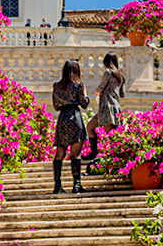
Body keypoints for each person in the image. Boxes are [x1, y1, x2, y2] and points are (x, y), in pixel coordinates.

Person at [51, 60, 91, 194]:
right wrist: (84, 93)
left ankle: (57, 186)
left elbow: (56, 106)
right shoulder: (79, 85)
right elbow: (84, 104)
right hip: (75, 117)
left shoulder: (57, 86)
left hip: (63, 118)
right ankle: (76, 185)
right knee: (76, 154)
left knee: (59, 154)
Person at [87, 53, 125, 166]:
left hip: (107, 106)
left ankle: (115, 159)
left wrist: (97, 93)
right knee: (90, 126)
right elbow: (122, 94)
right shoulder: (121, 75)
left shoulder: (108, 72)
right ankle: (94, 153)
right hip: (115, 106)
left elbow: (100, 87)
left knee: (111, 135)